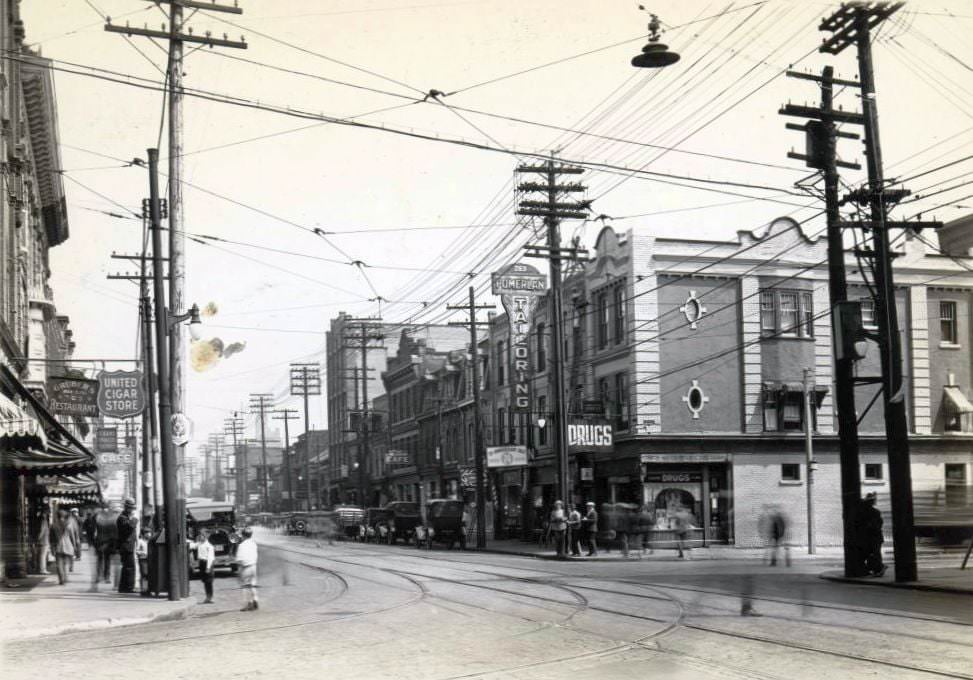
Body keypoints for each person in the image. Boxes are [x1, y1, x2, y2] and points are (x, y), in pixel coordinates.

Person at [857, 492, 887, 577]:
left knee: (873, 553)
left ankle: (878, 568)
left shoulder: (872, 512)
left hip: (874, 537)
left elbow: (876, 525)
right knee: (872, 553)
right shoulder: (874, 512)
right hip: (873, 537)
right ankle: (876, 568)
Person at [92, 502, 119, 590]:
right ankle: (106, 577)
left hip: (100, 540)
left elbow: (94, 530)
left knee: (100, 559)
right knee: (107, 559)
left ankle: (99, 577)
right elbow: (114, 529)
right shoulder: (112, 517)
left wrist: (94, 540)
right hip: (108, 541)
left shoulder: (97, 516)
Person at [50, 508, 81, 585]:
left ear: (57, 516)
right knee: (66, 563)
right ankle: (65, 578)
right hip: (68, 545)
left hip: (58, 546)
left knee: (59, 564)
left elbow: (51, 539)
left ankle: (61, 579)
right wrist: (74, 546)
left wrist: (52, 548)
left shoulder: (53, 525)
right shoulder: (69, 525)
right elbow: (72, 537)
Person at [116, 498, 139, 593]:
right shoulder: (122, 518)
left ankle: (123, 587)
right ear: (127, 508)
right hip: (126, 545)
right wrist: (135, 518)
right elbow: (130, 527)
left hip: (128, 545)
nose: (132, 510)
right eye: (131, 508)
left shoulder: (125, 517)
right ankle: (128, 587)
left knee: (127, 566)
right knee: (129, 567)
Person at [235, 526, 259, 611]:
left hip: (245, 567)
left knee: (245, 586)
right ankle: (255, 599)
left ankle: (247, 604)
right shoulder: (254, 544)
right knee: (253, 584)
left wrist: (239, 569)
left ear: (243, 535)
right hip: (253, 566)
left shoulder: (241, 545)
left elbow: (239, 559)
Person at [196, 530, 216, 604]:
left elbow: (210, 558)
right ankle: (207, 596)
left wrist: (208, 568)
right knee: (205, 581)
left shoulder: (209, 546)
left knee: (209, 581)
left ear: (206, 537)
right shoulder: (199, 544)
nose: (200, 537)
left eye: (202, 536)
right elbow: (193, 545)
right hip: (201, 563)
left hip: (207, 563)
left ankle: (210, 597)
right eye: (200, 535)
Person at [35, 509, 52, 575]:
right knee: (43, 556)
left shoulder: (40, 519)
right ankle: (42, 569)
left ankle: (40, 569)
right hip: (44, 540)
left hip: (43, 540)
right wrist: (38, 538)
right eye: (48, 513)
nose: (49, 514)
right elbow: (42, 530)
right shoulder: (43, 520)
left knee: (41, 555)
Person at [136, 528, 151, 596]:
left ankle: (147, 589)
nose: (149, 534)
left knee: (148, 574)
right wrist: (143, 553)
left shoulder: (150, 541)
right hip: (143, 559)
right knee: (144, 574)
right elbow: (137, 551)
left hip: (149, 559)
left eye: (149, 532)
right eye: (147, 532)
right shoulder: (140, 541)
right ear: (143, 534)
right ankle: (143, 589)